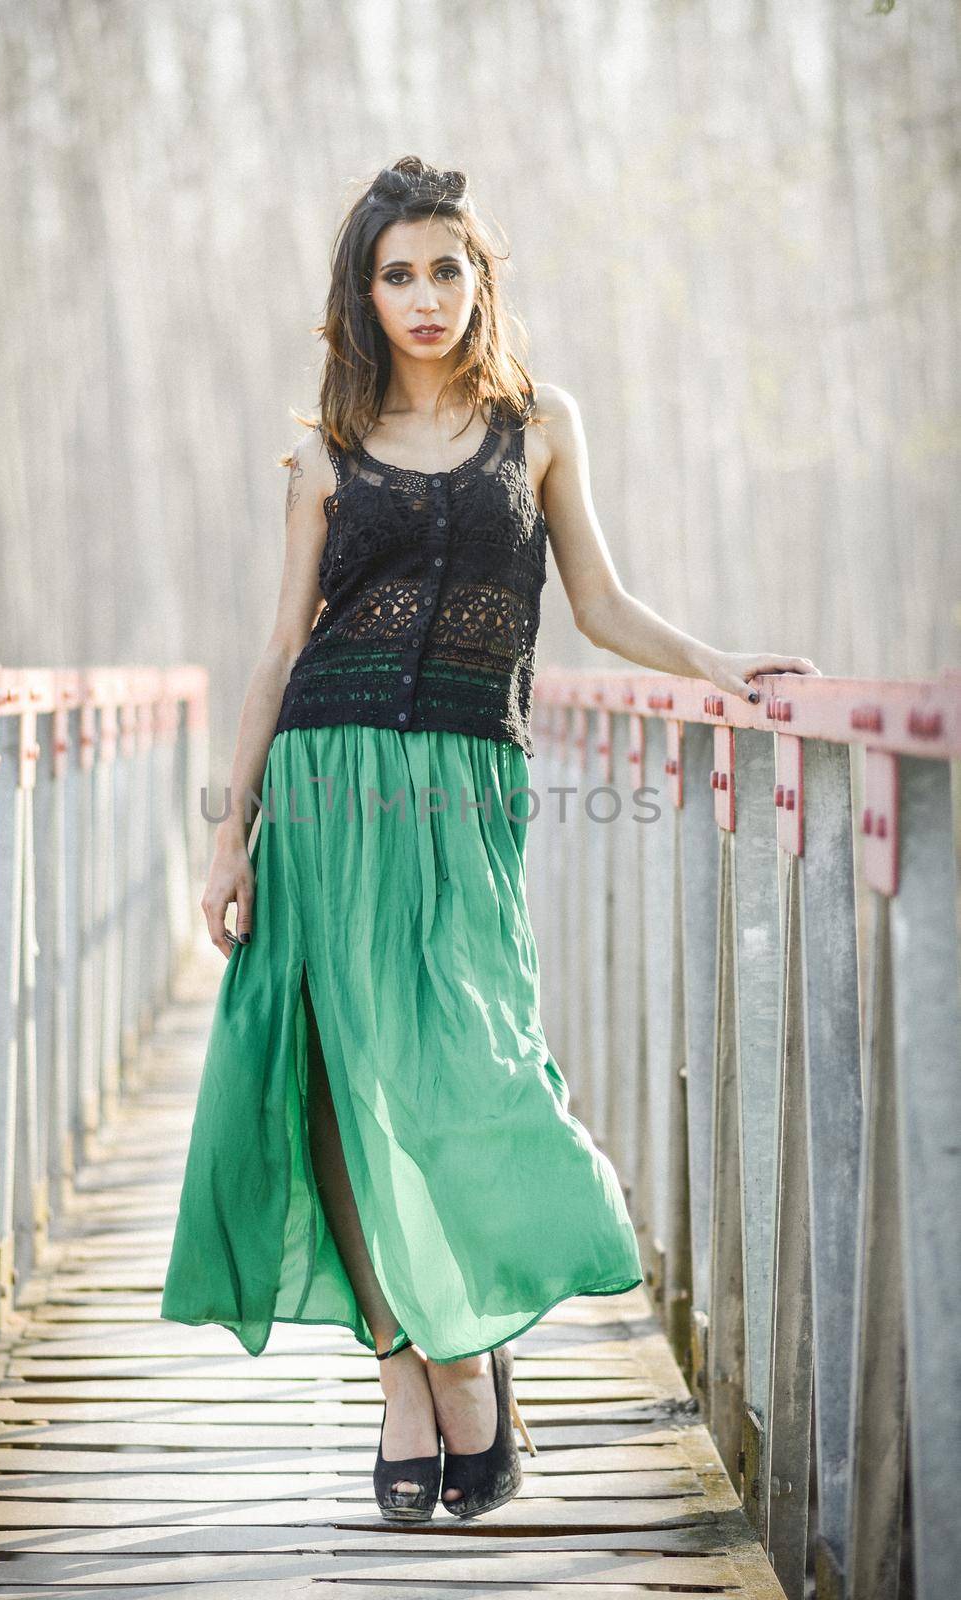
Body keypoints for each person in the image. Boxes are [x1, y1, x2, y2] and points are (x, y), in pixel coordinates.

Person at [160, 155, 821, 1523]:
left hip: (468, 796)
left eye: (445, 268)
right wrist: (232, 835)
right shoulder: (320, 452)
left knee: (472, 1068)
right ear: (362, 294)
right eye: (396, 273)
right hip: (330, 789)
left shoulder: (540, 422)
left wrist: (718, 666)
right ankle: (416, 1371)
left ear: (481, 278)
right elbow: (282, 647)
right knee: (343, 1086)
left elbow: (600, 602)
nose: (423, 295)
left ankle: (476, 1344)